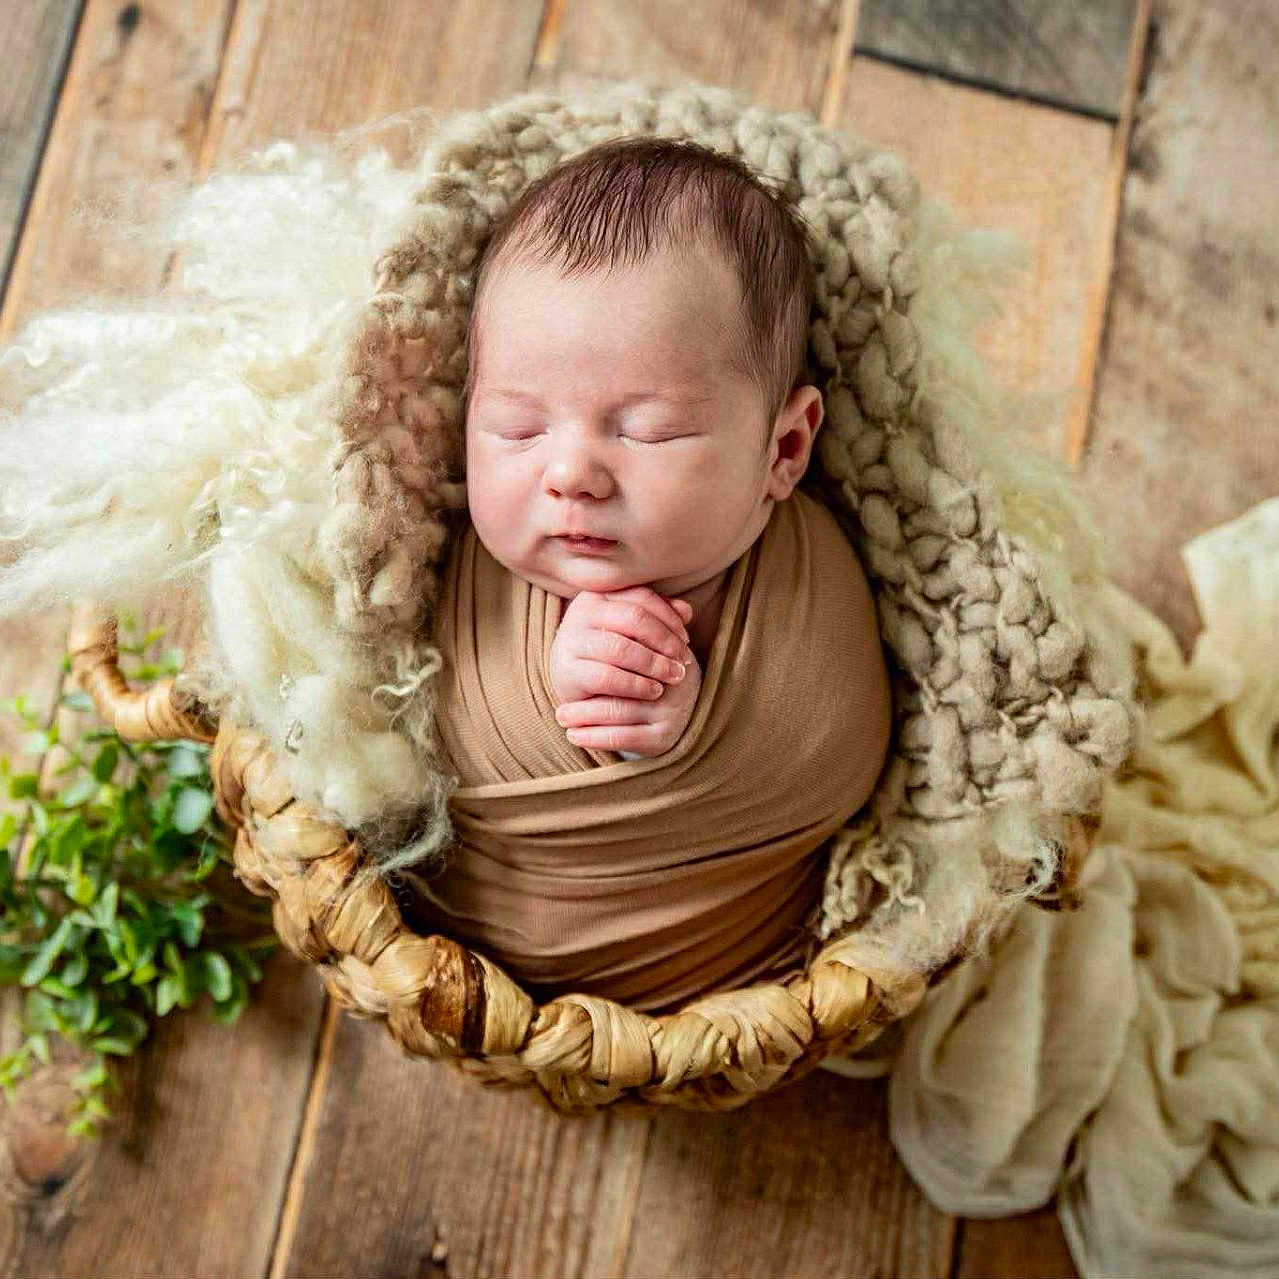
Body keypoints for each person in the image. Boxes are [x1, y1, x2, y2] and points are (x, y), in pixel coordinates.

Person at [407, 136, 894, 1013]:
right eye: (517, 427)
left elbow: (840, 747)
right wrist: (547, 687)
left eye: (647, 431)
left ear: (782, 448)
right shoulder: (436, 559)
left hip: (706, 977)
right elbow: (390, 726)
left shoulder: (806, 582)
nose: (571, 473)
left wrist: (661, 730)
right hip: (446, 946)